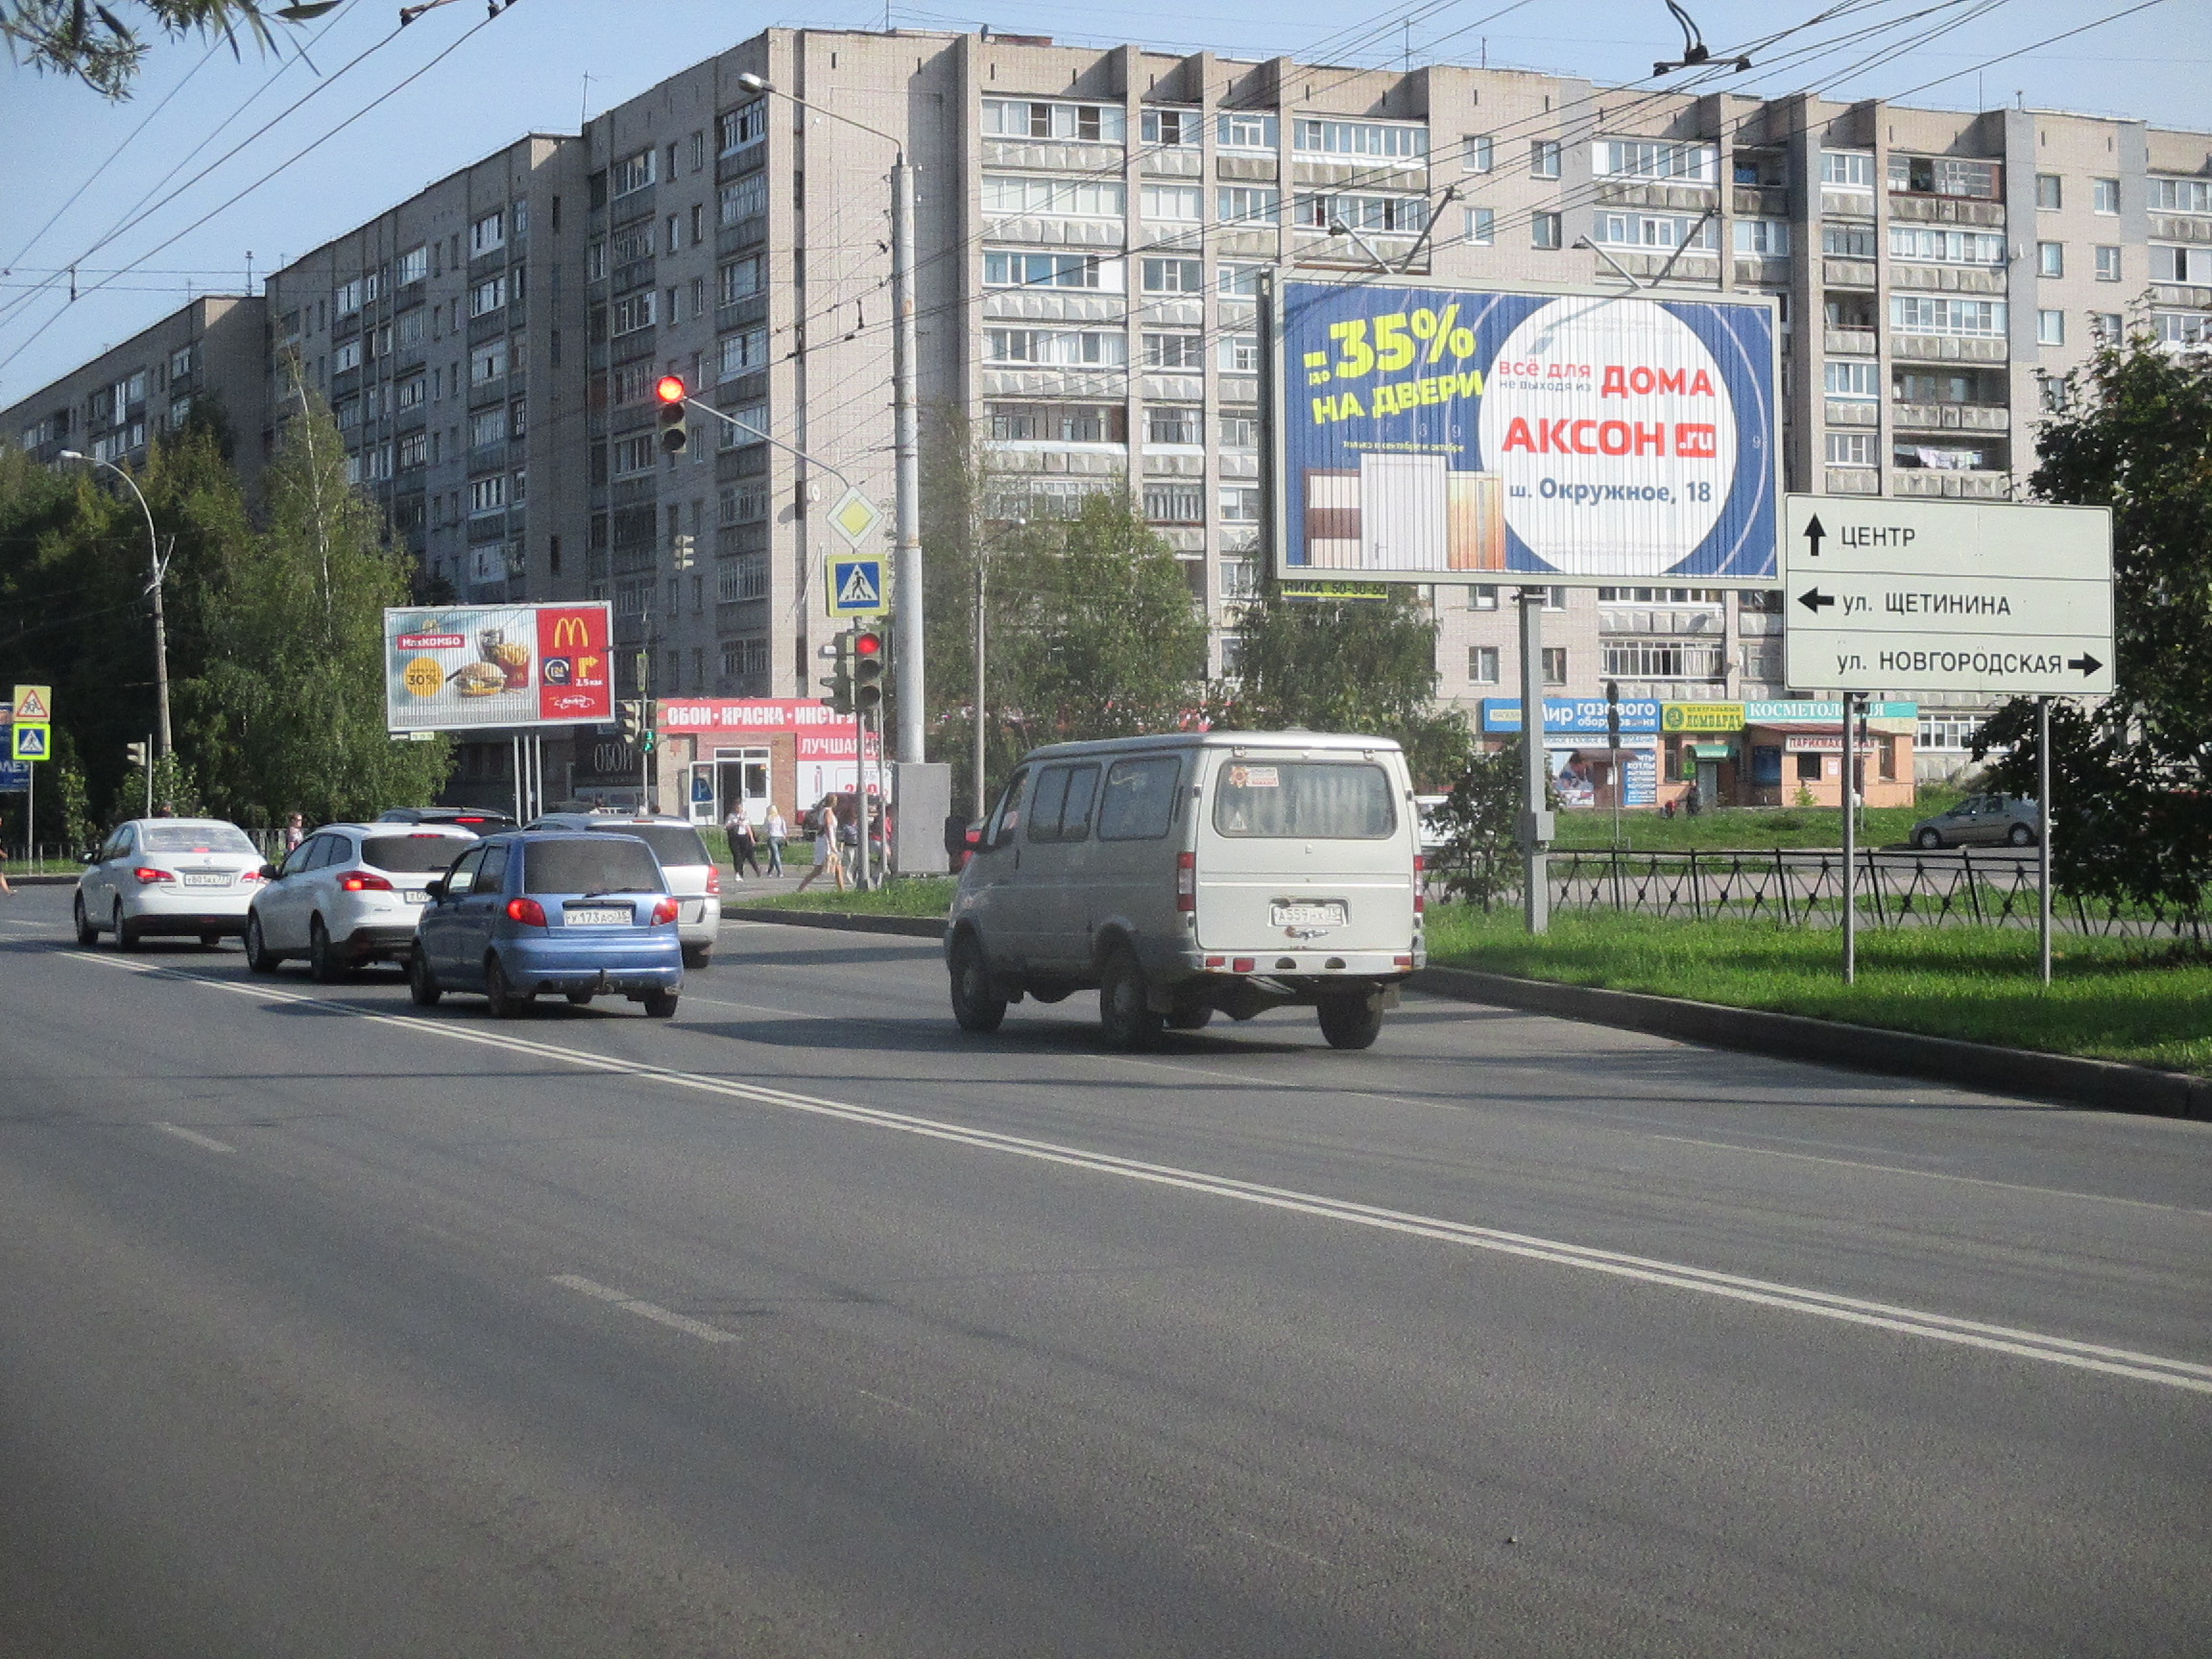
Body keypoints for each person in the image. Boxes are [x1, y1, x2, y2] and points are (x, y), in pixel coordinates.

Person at [795, 799, 847, 894]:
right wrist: (831, 844)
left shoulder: (824, 811)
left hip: (826, 840)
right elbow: (828, 827)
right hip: (825, 842)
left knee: (838, 867)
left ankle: (842, 890)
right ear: (834, 802)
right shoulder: (828, 812)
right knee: (818, 869)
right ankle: (800, 888)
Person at [723, 805, 760, 880]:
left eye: (741, 809)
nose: (740, 810)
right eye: (738, 809)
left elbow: (748, 828)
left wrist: (752, 838)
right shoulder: (731, 816)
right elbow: (726, 827)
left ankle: (742, 872)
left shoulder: (745, 817)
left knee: (744, 856)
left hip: (744, 837)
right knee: (737, 855)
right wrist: (734, 823)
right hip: (734, 837)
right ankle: (738, 872)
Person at [763, 804, 786, 876]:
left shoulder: (769, 818)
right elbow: (784, 829)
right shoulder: (780, 818)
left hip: (772, 837)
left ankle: (780, 871)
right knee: (775, 855)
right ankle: (769, 871)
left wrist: (767, 833)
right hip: (781, 837)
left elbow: (764, 829)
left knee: (776, 855)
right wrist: (784, 835)